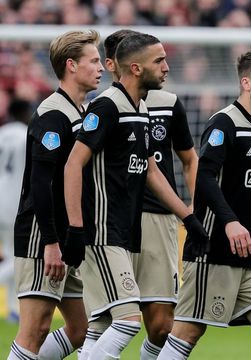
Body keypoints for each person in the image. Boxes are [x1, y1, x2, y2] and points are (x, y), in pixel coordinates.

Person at [158, 45, 251, 360]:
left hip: (249, 255)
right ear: (246, 83)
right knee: (187, 332)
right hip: (212, 250)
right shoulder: (223, 123)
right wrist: (231, 222)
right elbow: (205, 178)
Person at [63, 33, 208, 359]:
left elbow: (149, 171)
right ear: (136, 68)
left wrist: (189, 217)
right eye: (159, 61)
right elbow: (73, 164)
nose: (167, 67)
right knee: (127, 319)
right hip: (101, 231)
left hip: (123, 232)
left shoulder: (139, 108)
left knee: (101, 325)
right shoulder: (106, 106)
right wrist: (75, 227)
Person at [102, 29, 199, 359]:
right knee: (107, 320)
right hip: (112, 221)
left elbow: (187, 160)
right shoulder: (103, 107)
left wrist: (192, 209)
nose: (163, 66)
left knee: (160, 326)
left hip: (159, 218)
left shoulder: (168, 103)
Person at [8, 30, 103, 360]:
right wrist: (49, 242)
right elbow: (41, 183)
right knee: (34, 330)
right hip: (41, 234)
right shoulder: (54, 114)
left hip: (66, 235)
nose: (101, 66)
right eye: (93, 60)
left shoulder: (78, 112)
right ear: (72, 66)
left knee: (82, 328)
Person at [0, 99, 32, 323]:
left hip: (1, 195)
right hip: (15, 201)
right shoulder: (24, 135)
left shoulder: (2, 133)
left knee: (11, 253)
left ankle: (12, 309)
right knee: (20, 257)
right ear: (23, 112)